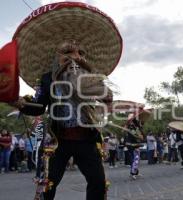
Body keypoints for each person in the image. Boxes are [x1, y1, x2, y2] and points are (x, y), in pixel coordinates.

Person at [10, 3, 122, 199]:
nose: (74, 57)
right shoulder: (47, 78)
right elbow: (38, 107)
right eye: (68, 53)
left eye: (78, 53)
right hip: (57, 140)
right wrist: (16, 101)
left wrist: (103, 95)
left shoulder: (90, 78)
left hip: (87, 138)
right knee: (47, 185)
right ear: (58, 57)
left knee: (97, 183)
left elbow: (108, 97)